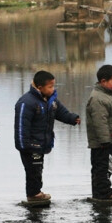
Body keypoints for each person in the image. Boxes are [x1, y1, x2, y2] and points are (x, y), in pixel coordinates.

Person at [14, 70, 80, 201]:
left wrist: (72, 118)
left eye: (53, 86)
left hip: (41, 143)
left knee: (38, 169)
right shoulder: (26, 102)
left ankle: (36, 192)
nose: (53, 89)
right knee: (32, 171)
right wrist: (24, 145)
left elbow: (61, 113)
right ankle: (33, 194)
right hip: (30, 145)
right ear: (40, 88)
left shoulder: (50, 100)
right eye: (50, 87)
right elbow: (22, 126)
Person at [86, 65, 112, 200]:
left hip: (108, 139)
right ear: (103, 81)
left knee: (106, 166)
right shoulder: (98, 98)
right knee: (101, 167)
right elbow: (100, 122)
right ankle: (103, 193)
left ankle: (102, 191)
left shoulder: (107, 95)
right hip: (101, 142)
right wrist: (104, 140)